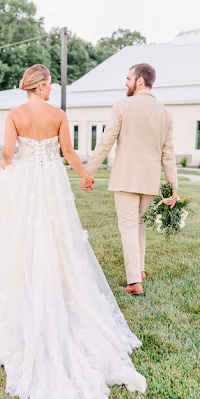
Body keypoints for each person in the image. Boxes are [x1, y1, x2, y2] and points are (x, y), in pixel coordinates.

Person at [0, 64, 146, 399]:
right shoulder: (58, 115)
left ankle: (24, 288)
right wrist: (85, 176)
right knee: (57, 236)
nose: (51, 90)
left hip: (25, 184)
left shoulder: (15, 115)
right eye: (50, 85)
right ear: (42, 84)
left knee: (21, 237)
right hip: (51, 185)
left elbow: (6, 153)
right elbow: (68, 153)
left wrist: (7, 166)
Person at [82, 63, 178, 297]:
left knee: (127, 227)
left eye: (128, 78)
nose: (126, 82)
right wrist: (173, 188)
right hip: (150, 181)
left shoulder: (122, 106)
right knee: (139, 225)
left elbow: (106, 142)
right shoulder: (165, 112)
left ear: (141, 81)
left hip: (126, 179)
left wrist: (89, 172)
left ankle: (134, 282)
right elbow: (168, 154)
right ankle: (140, 270)